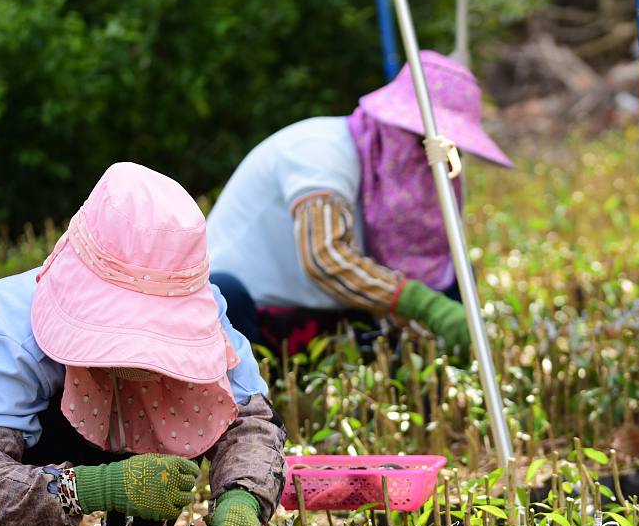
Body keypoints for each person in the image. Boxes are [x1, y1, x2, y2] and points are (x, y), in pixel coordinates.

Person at [0, 163, 287, 526]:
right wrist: (94, 488)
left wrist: (243, 496)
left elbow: (250, 416)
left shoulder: (207, 315)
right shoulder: (5, 333)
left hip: (7, 466)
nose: (142, 355)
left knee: (191, 399)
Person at [206, 50, 513, 356]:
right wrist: (422, 303)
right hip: (251, 313)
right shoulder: (319, 151)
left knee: (455, 277)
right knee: (228, 300)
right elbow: (325, 259)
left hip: (331, 313)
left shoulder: (383, 181)